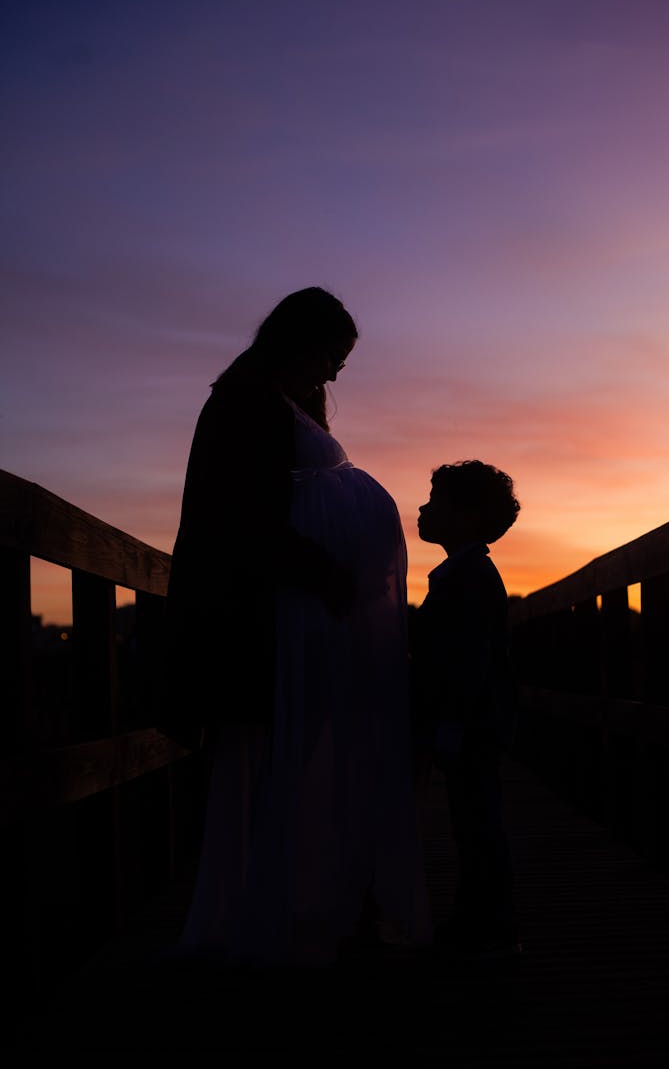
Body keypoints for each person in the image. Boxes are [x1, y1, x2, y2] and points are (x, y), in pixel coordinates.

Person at [162, 286, 431, 968]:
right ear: (298, 340)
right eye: (332, 356)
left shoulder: (279, 400)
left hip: (300, 615)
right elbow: (238, 516)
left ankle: (308, 899)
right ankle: (271, 912)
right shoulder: (242, 401)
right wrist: (325, 569)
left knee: (306, 762)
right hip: (269, 615)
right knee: (272, 765)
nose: (337, 373)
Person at [410, 460, 521, 963]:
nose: (423, 507)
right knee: (472, 820)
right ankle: (479, 919)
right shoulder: (466, 572)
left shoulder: (470, 577)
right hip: (474, 720)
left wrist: (449, 722)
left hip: (471, 722)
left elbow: (470, 660)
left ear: (468, 516)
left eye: (436, 501)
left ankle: (492, 927)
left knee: (477, 822)